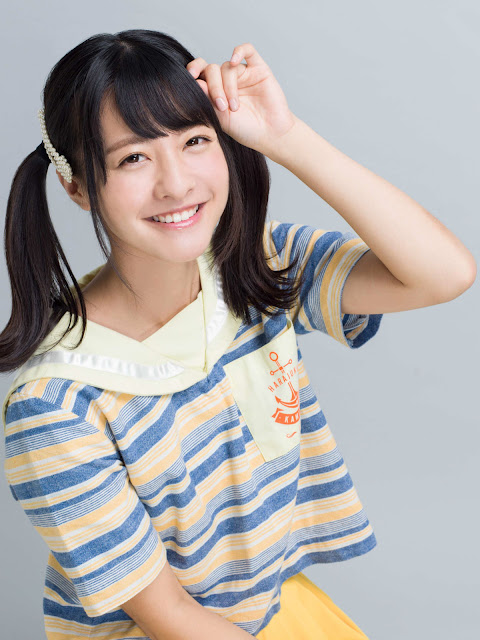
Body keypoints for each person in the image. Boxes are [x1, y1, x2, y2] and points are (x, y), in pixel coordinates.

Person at [0, 28, 475, 640]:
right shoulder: (56, 403)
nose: (176, 184)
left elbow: (444, 274)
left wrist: (286, 137)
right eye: (133, 158)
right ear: (77, 185)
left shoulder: (258, 269)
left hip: (267, 613)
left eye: (195, 141)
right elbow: (169, 618)